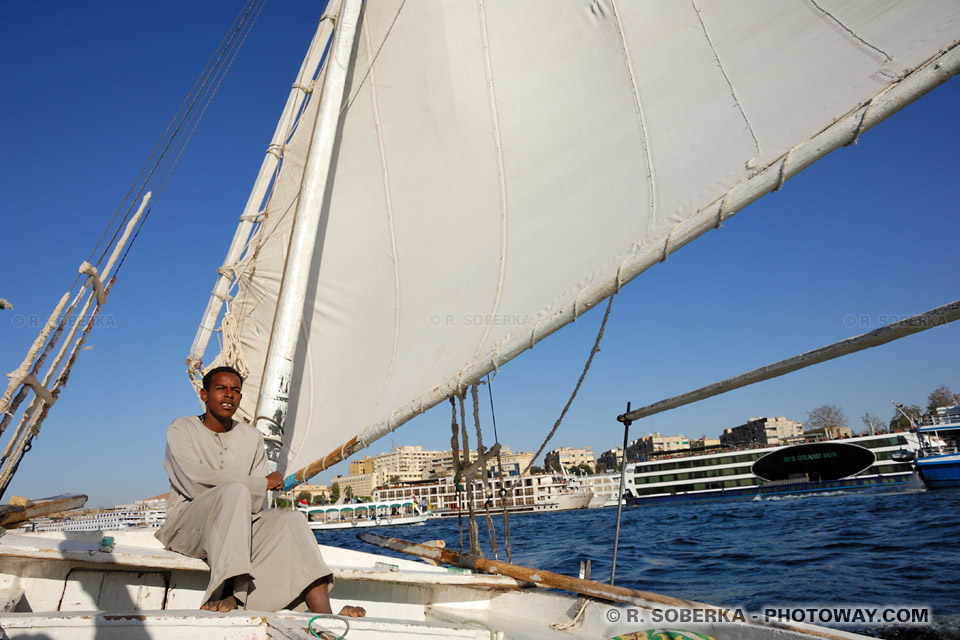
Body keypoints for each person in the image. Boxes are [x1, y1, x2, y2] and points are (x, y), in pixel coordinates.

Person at [156, 365, 364, 616]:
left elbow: (256, 502)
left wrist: (255, 487)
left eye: (235, 390)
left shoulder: (251, 436)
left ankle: (325, 615)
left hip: (237, 521)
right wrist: (260, 483)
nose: (229, 395)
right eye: (221, 389)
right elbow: (195, 481)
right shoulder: (181, 428)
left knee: (291, 521)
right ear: (204, 395)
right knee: (234, 492)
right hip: (188, 524)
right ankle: (231, 594)